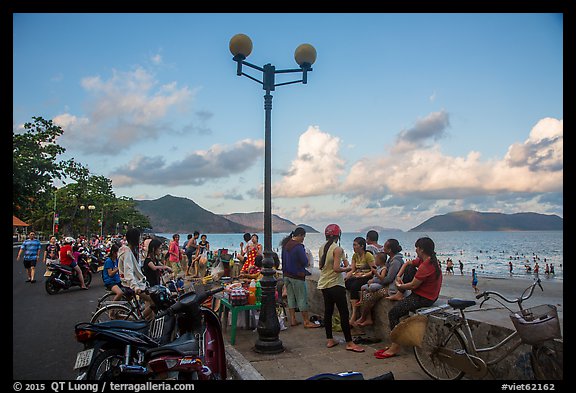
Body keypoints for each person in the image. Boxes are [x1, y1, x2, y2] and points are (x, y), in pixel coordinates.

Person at [375, 237, 442, 359]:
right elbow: (407, 263)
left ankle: (395, 346)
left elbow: (413, 285)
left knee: (393, 314)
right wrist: (399, 275)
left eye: (416, 248)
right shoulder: (428, 260)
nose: (415, 250)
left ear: (421, 249)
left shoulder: (426, 266)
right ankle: (400, 294)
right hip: (426, 294)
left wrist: (399, 285)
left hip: (424, 298)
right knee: (410, 268)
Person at [317, 224, 365, 353]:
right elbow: (337, 269)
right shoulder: (337, 249)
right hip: (336, 285)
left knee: (328, 312)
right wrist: (349, 269)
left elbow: (324, 265)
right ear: (338, 235)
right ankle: (349, 342)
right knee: (344, 313)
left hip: (324, 284)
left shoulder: (322, 247)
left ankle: (330, 339)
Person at [356, 239, 405, 327]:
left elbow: (389, 279)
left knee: (368, 296)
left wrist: (374, 280)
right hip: (387, 285)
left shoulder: (395, 262)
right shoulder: (391, 259)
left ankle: (364, 317)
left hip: (393, 288)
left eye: (385, 247)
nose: (383, 249)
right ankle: (368, 318)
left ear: (390, 250)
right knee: (367, 292)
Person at [281, 227, 319, 329]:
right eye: (303, 237)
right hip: (297, 276)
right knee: (302, 298)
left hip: (286, 276)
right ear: (300, 235)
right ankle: (306, 321)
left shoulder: (285, 245)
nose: (303, 239)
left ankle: (293, 319)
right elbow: (305, 262)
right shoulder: (298, 247)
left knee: (291, 298)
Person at [118, 228, 154, 320]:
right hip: (131, 284)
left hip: (130, 282)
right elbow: (128, 271)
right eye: (139, 237)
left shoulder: (126, 250)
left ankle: (144, 320)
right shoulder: (127, 253)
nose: (140, 239)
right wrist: (135, 287)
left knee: (148, 300)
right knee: (153, 302)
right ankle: (138, 320)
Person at [344, 237, 376, 326]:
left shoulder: (368, 255)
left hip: (367, 276)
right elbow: (353, 269)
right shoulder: (355, 256)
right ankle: (354, 309)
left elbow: (373, 270)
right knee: (347, 284)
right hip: (358, 276)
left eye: (355, 245)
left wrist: (363, 275)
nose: (353, 247)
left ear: (362, 246)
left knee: (354, 286)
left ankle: (354, 314)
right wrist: (349, 275)